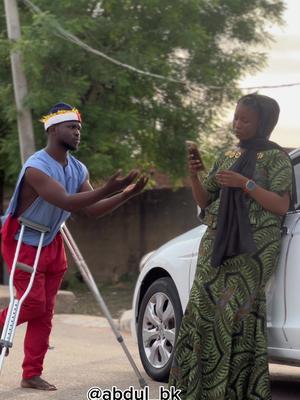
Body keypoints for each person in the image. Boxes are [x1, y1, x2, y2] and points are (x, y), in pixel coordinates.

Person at [0, 102, 147, 391]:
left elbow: (91, 210)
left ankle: (31, 373)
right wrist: (109, 188)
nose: (78, 133)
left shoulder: (78, 169)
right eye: (72, 127)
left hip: (53, 240)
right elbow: (66, 201)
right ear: (54, 129)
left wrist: (126, 194)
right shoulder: (36, 167)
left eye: (79, 128)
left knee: (45, 311)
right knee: (30, 303)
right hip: (24, 239)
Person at [168, 93, 293, 399]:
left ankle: (233, 391)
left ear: (263, 123)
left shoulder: (278, 158)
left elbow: (280, 205)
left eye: (245, 119)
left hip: (253, 250)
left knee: (233, 313)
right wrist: (195, 174)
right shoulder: (227, 156)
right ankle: (196, 389)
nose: (237, 123)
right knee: (202, 307)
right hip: (216, 244)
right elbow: (205, 200)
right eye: (236, 116)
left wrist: (245, 184)